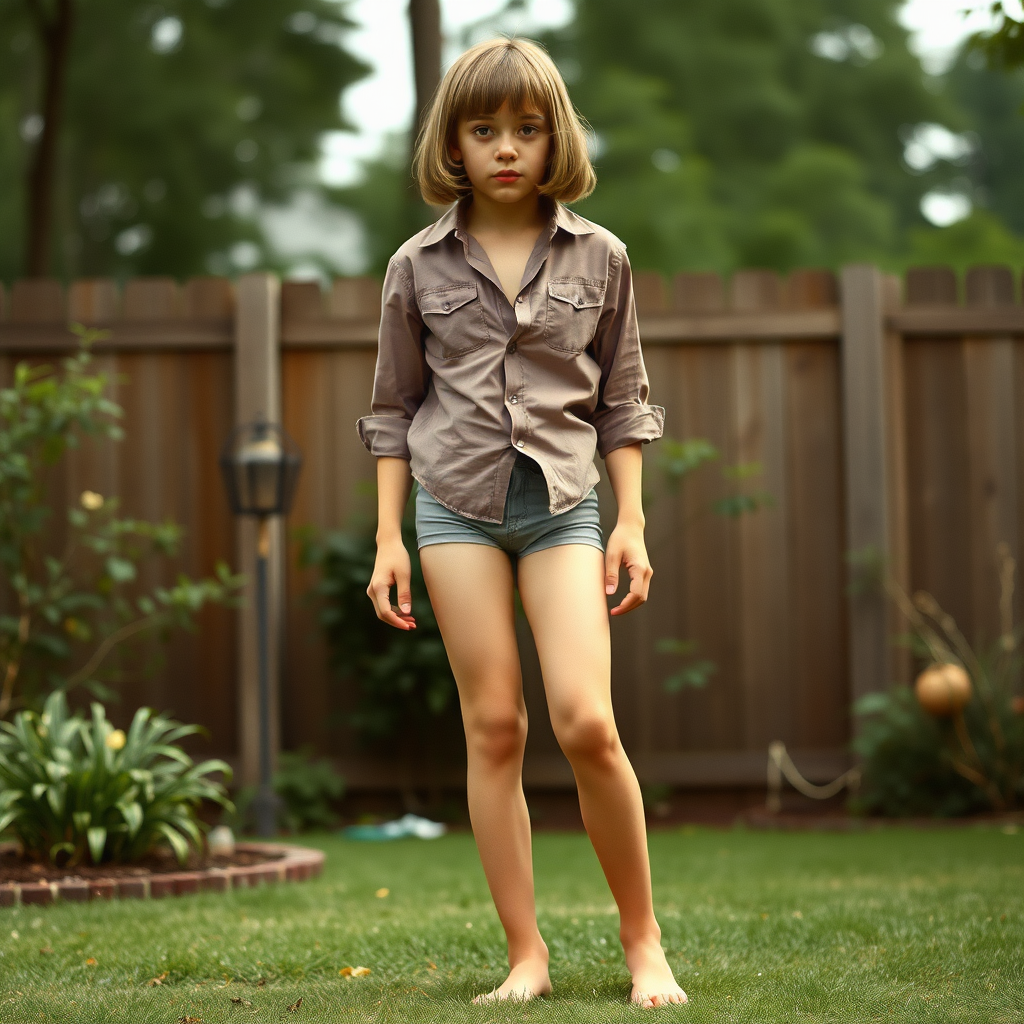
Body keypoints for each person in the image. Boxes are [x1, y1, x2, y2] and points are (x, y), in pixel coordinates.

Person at [356, 36, 686, 1009]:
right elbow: (391, 411)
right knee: (493, 726)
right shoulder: (414, 266)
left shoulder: (601, 256)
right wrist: (387, 540)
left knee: (585, 720)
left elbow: (622, 404)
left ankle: (643, 941)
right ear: (453, 142)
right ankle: (525, 953)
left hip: (562, 507)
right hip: (452, 508)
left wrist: (630, 522)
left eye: (527, 128)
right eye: (484, 127)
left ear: (555, 140)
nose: (506, 146)